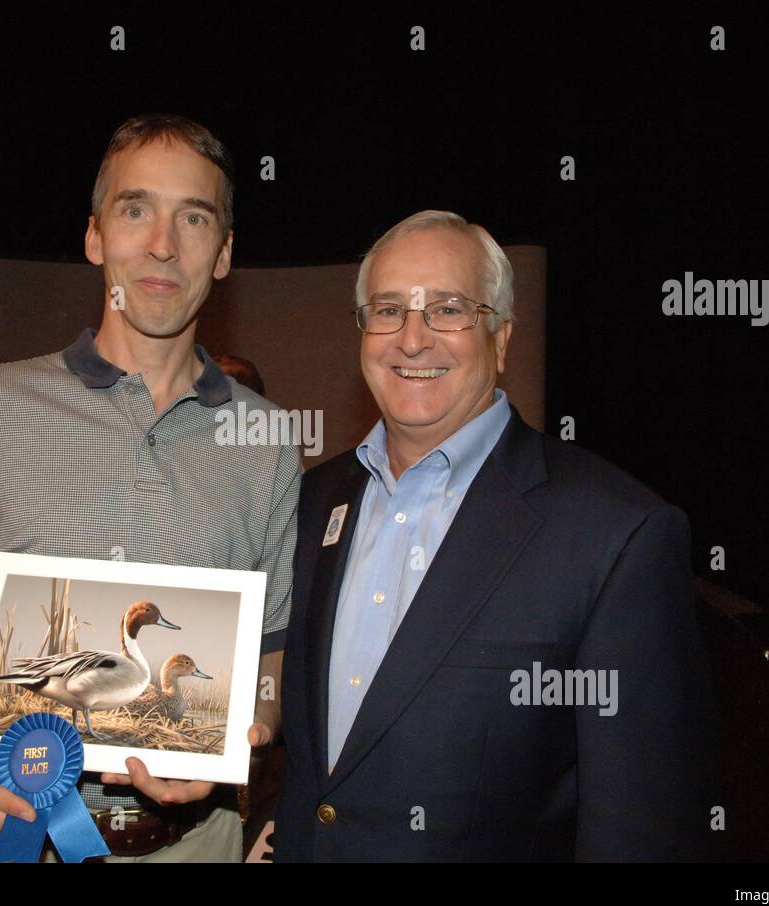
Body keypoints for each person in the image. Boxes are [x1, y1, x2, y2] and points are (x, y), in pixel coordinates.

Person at [0, 114, 297, 862]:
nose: (163, 243)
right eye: (136, 209)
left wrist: (240, 734)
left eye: (193, 217)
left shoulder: (267, 443)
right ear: (96, 236)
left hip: (194, 844)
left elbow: (272, 651)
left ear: (223, 253)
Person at [273, 210, 716, 861]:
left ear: (501, 338)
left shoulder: (615, 535)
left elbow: (642, 831)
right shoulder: (316, 498)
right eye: (388, 309)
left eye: (448, 309)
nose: (412, 339)